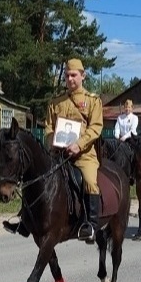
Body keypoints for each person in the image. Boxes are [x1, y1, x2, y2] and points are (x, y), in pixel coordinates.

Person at [45, 58, 103, 242]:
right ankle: (26, 219)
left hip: (83, 155)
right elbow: (48, 127)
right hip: (58, 154)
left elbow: (95, 127)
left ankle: (91, 225)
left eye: (74, 75)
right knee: (38, 177)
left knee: (90, 181)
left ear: (83, 76)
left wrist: (79, 144)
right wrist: (52, 142)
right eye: (67, 75)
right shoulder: (56, 102)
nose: (70, 79)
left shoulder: (93, 101)